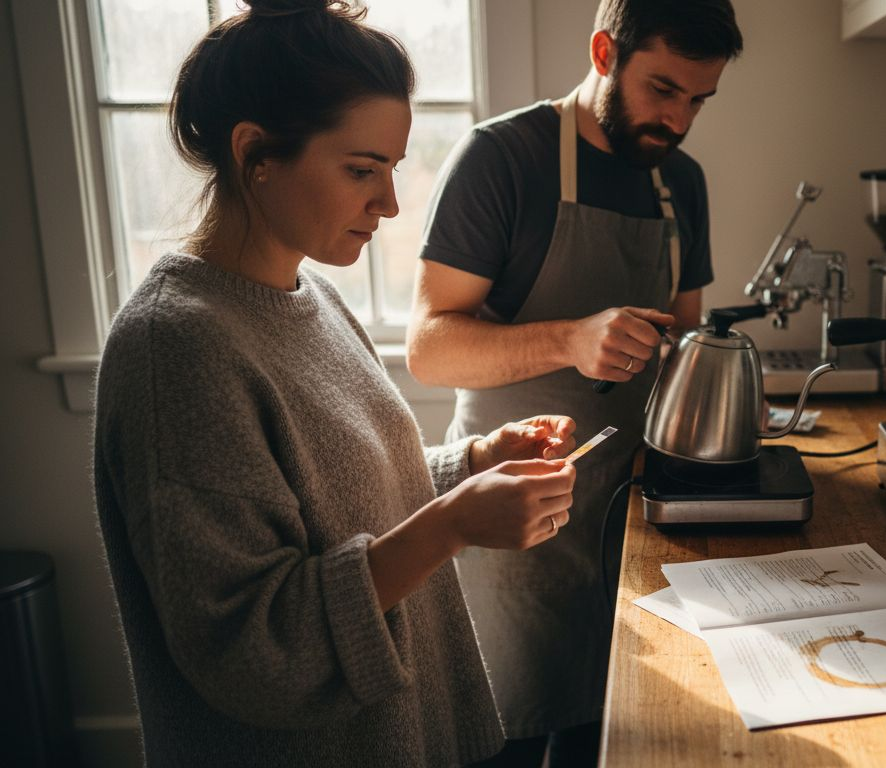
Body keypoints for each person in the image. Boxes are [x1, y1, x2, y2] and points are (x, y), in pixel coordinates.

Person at [91, 1, 578, 765]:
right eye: (362, 169)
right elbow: (253, 647)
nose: (387, 204)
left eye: (391, 170)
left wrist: (472, 464)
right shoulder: (175, 346)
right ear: (255, 153)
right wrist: (451, 523)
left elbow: (342, 494)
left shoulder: (309, 294)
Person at [406, 0, 743, 763]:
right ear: (603, 53)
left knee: (616, 739)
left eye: (698, 99)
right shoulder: (500, 159)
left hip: (633, 530)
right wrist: (571, 338)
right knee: (506, 744)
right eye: (662, 90)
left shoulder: (679, 183)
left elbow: (683, 336)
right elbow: (427, 349)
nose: (680, 120)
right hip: (512, 532)